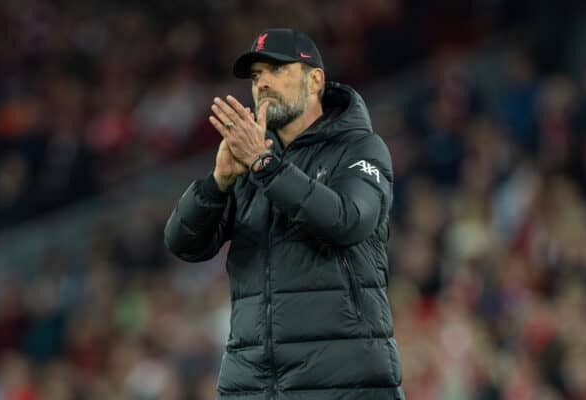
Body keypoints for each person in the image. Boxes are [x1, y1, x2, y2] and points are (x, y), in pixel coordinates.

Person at [164, 28, 405, 400]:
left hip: (345, 384)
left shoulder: (360, 147)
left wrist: (266, 165)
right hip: (254, 386)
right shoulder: (249, 162)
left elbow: (349, 220)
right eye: (256, 75)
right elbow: (183, 244)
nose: (262, 83)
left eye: (276, 70)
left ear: (315, 80)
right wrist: (218, 182)